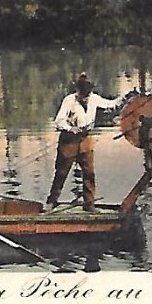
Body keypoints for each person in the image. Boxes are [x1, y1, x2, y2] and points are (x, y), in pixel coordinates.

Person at [46, 73, 129, 212]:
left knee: (89, 173)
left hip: (86, 140)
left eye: (88, 89)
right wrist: (70, 128)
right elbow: (59, 121)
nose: (86, 93)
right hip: (69, 141)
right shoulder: (69, 100)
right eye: (83, 89)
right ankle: (52, 201)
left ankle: (89, 204)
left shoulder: (94, 99)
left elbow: (111, 105)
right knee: (61, 172)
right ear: (78, 89)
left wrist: (125, 97)